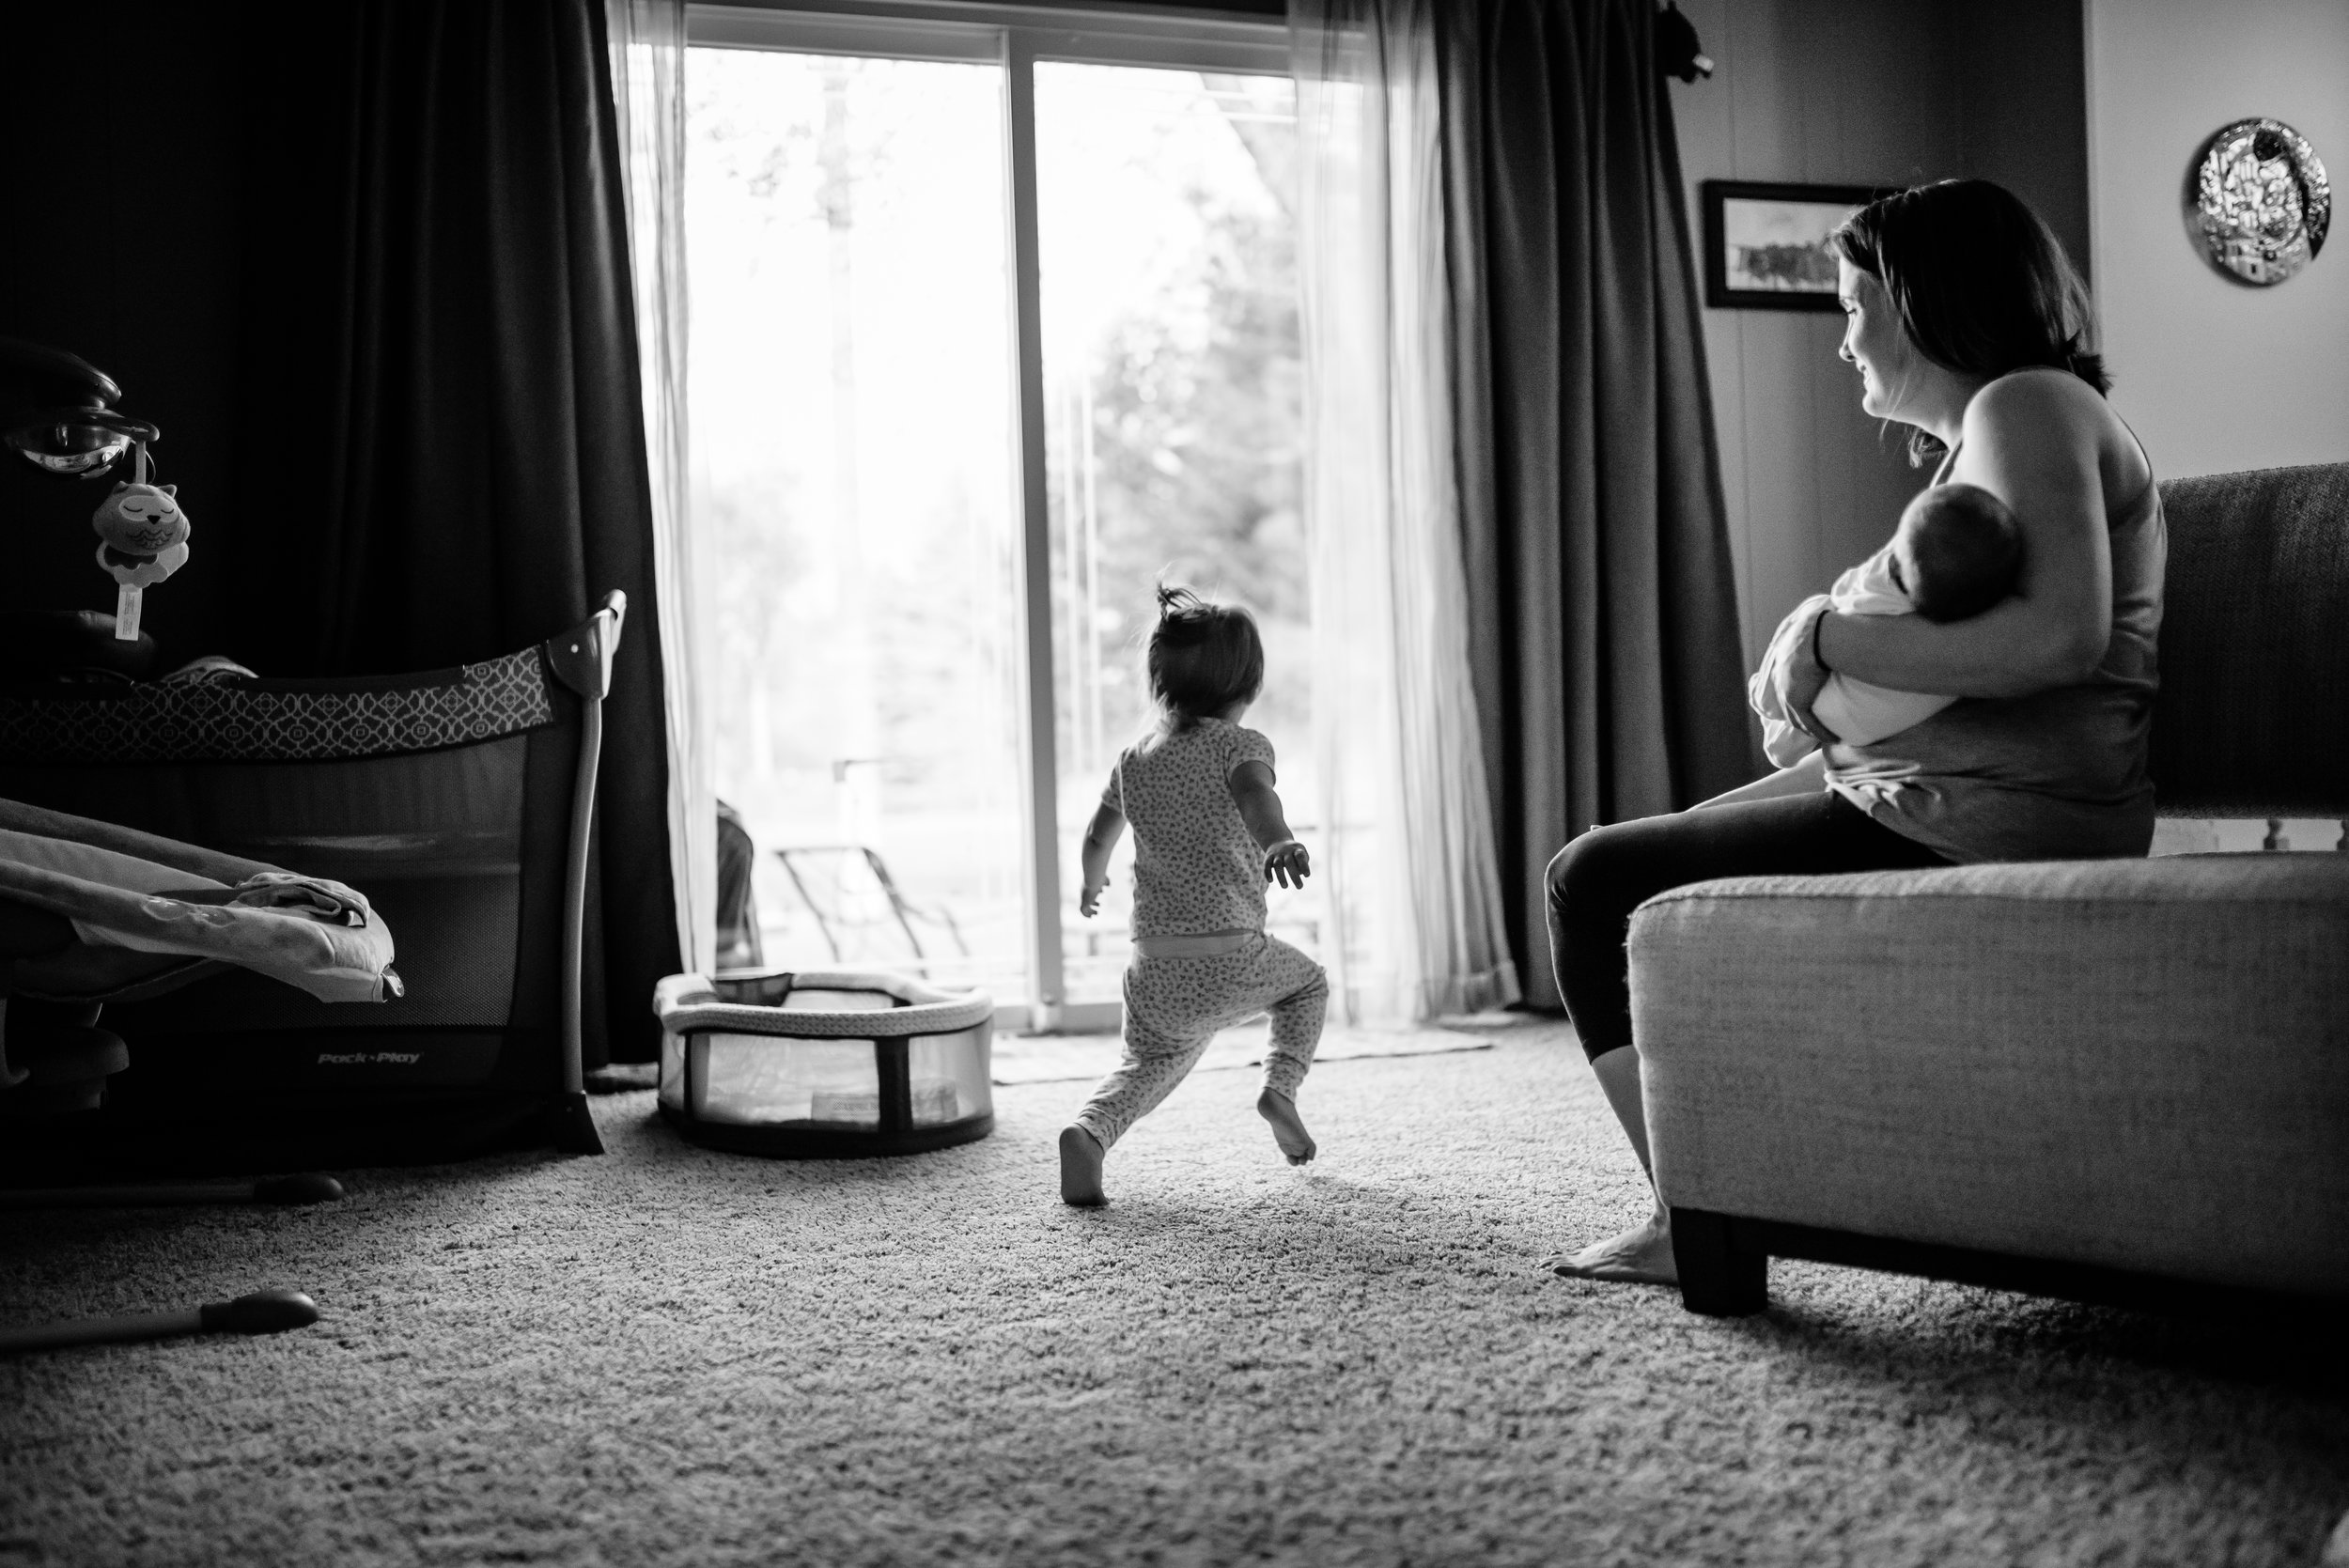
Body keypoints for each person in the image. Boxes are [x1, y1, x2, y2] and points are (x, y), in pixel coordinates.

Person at [1544, 179, 2163, 1285]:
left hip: (1983, 819)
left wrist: (1823, 640)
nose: (1842, 342)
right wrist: (1815, 690)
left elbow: (2058, 642)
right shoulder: (1997, 432)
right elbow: (1971, 679)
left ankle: (1694, 1211)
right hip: (1925, 789)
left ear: (1923, 303)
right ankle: (1703, 1190)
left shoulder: (2024, 405)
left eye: (1851, 305)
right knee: (1628, 857)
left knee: (1596, 879)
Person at [1057, 585, 1328, 1207]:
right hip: (1232, 957)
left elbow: (1099, 835)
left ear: (1160, 681)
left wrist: (1091, 881)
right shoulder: (1240, 745)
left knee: (1146, 1064)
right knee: (1308, 983)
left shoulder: (1135, 759)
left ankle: (1090, 1132)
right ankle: (1280, 1087)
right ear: (1247, 685)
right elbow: (1258, 797)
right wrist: (1277, 841)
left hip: (1152, 967)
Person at [1751, 481, 2023, 767]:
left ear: (1896, 564)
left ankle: (1762, 697)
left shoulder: (1886, 588)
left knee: (1818, 607)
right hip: (1867, 726)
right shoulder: (1973, 625)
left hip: (1832, 707)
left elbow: (1845, 594)